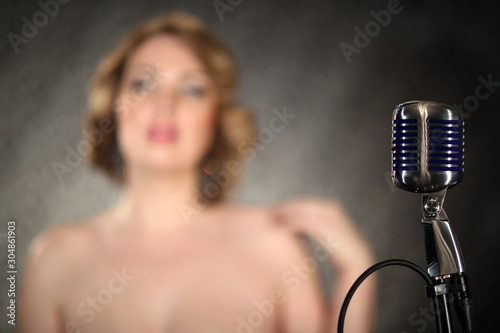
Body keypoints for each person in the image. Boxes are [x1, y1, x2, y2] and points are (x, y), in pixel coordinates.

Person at [18, 11, 376, 333]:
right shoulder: (54, 259)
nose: (165, 104)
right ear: (113, 107)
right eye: (143, 84)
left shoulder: (274, 249)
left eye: (192, 88)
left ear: (216, 120)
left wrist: (357, 271)